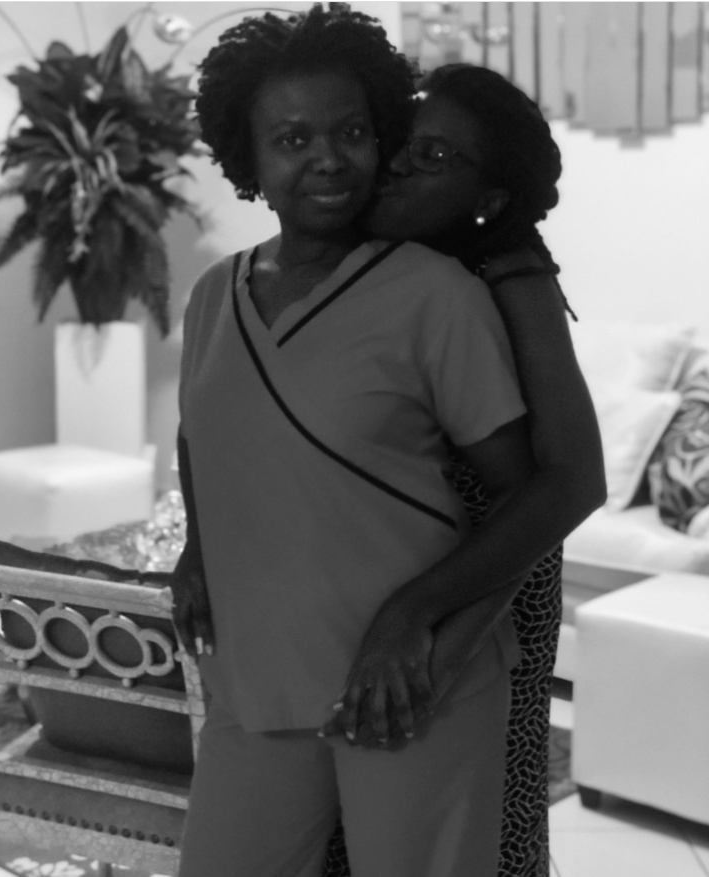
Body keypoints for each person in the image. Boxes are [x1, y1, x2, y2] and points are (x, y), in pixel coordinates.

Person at [173, 7, 603, 877]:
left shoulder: (488, 282)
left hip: (452, 625)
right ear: (248, 157)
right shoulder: (222, 294)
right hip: (278, 658)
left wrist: (425, 629)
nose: (342, 158)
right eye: (291, 137)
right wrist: (196, 545)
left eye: (357, 132)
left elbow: (555, 487)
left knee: (484, 837)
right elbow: (207, 433)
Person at [318, 63, 606, 877]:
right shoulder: (364, 252)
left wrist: (429, 616)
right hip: (393, 577)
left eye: (437, 155)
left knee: (480, 820)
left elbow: (574, 479)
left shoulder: (510, 272)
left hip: (491, 575)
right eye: (407, 138)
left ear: (487, 199)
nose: (403, 160)